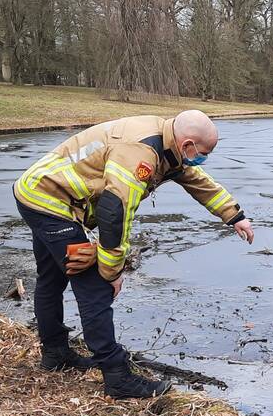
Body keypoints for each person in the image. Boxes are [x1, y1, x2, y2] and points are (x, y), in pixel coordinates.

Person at [13, 110, 254, 399]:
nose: (204, 159)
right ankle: (117, 377)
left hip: (36, 190)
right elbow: (115, 213)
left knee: (51, 279)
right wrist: (111, 271)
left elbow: (195, 179)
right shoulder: (139, 154)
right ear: (187, 144)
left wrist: (234, 215)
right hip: (48, 201)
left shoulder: (167, 141)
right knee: (92, 283)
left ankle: (55, 355)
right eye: (203, 153)